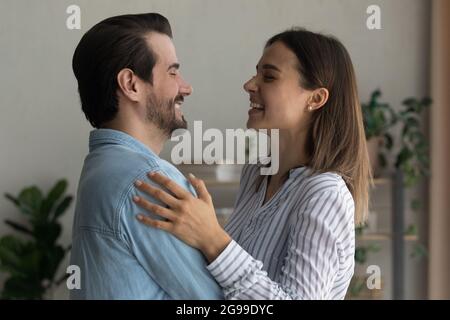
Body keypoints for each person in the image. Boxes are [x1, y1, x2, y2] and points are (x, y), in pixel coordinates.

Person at [133, 28, 371, 299]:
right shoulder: (257, 173)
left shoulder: (325, 194)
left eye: (269, 76)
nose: (250, 84)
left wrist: (213, 239)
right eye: (257, 72)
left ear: (315, 99)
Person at [69, 13, 223, 299]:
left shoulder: (101, 168)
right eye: (173, 72)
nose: (186, 87)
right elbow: (221, 301)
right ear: (131, 84)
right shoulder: (147, 181)